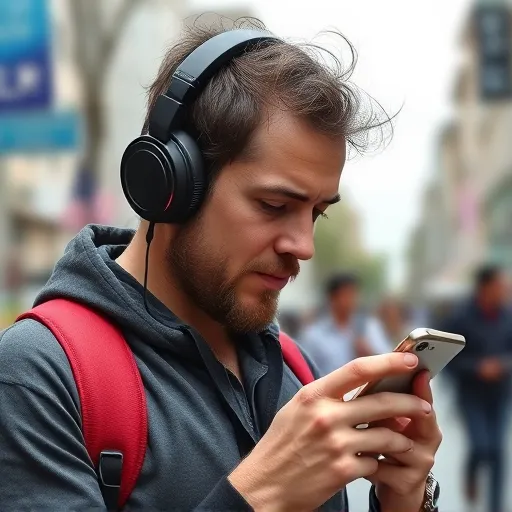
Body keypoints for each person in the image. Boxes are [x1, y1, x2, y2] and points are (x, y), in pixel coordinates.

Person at [0, 18, 441, 511]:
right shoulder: (39, 375)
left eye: (316, 213)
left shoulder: (295, 370)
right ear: (169, 186)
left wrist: (403, 501)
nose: (303, 245)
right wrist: (257, 496)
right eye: (274, 206)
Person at [441, 264, 512, 512]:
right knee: (481, 446)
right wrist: (476, 368)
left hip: (500, 394)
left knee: (498, 452)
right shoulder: (460, 318)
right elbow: (447, 358)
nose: (504, 290)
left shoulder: (508, 316)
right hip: (470, 395)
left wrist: (502, 365)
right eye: (499, 286)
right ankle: (470, 475)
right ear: (484, 287)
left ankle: (495, 507)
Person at [300, 273, 390, 376]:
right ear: (332, 298)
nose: (352, 300)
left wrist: (370, 353)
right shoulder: (314, 335)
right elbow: (306, 372)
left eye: (355, 294)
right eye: (347, 294)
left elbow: (388, 360)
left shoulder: (370, 327)